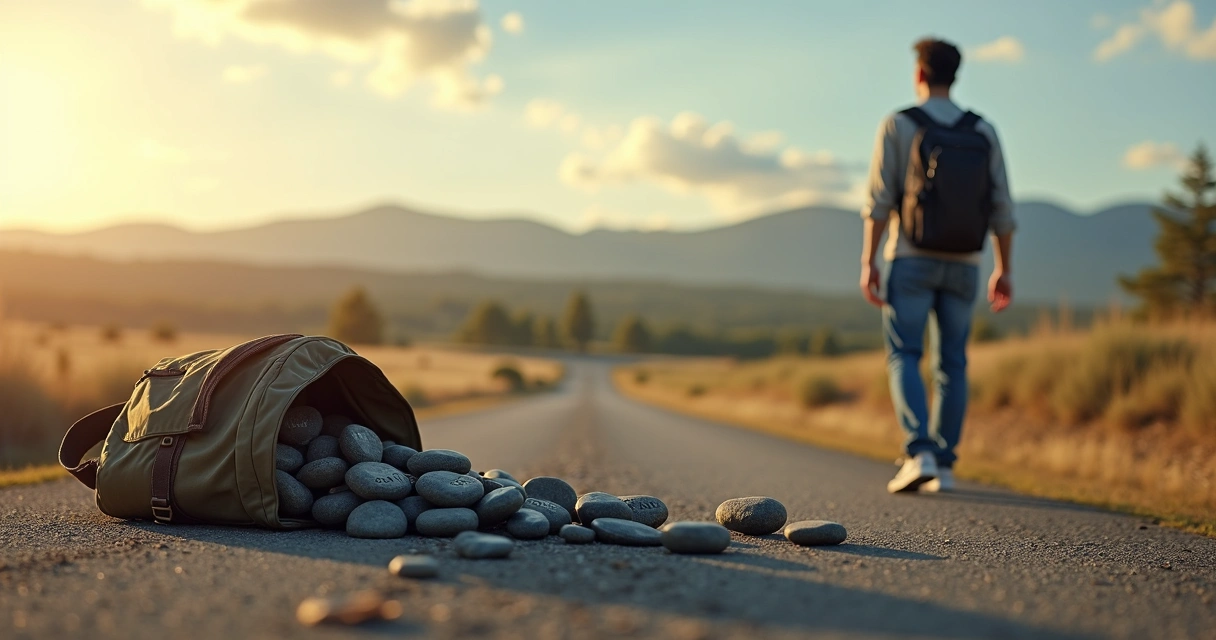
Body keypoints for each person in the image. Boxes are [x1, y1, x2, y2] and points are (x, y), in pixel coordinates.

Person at [859, 38, 1015, 494]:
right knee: (954, 363)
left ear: (920, 74)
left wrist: (869, 259)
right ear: (955, 74)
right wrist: (1003, 267)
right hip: (966, 263)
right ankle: (944, 464)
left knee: (905, 353)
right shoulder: (983, 130)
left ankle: (919, 451)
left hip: (910, 259)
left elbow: (880, 201)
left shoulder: (899, 123)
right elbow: (1002, 207)